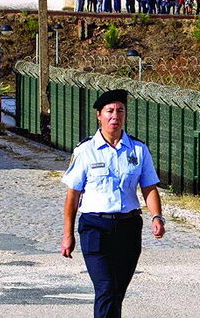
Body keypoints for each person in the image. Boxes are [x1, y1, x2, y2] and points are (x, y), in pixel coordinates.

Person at [61, 89, 166, 318]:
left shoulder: (138, 149)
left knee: (117, 291)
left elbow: (149, 187)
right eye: (109, 111)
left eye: (120, 111)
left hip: (128, 227)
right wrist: (67, 234)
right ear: (99, 115)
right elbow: (73, 195)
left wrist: (157, 216)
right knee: (106, 288)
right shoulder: (85, 151)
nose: (115, 116)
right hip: (95, 227)